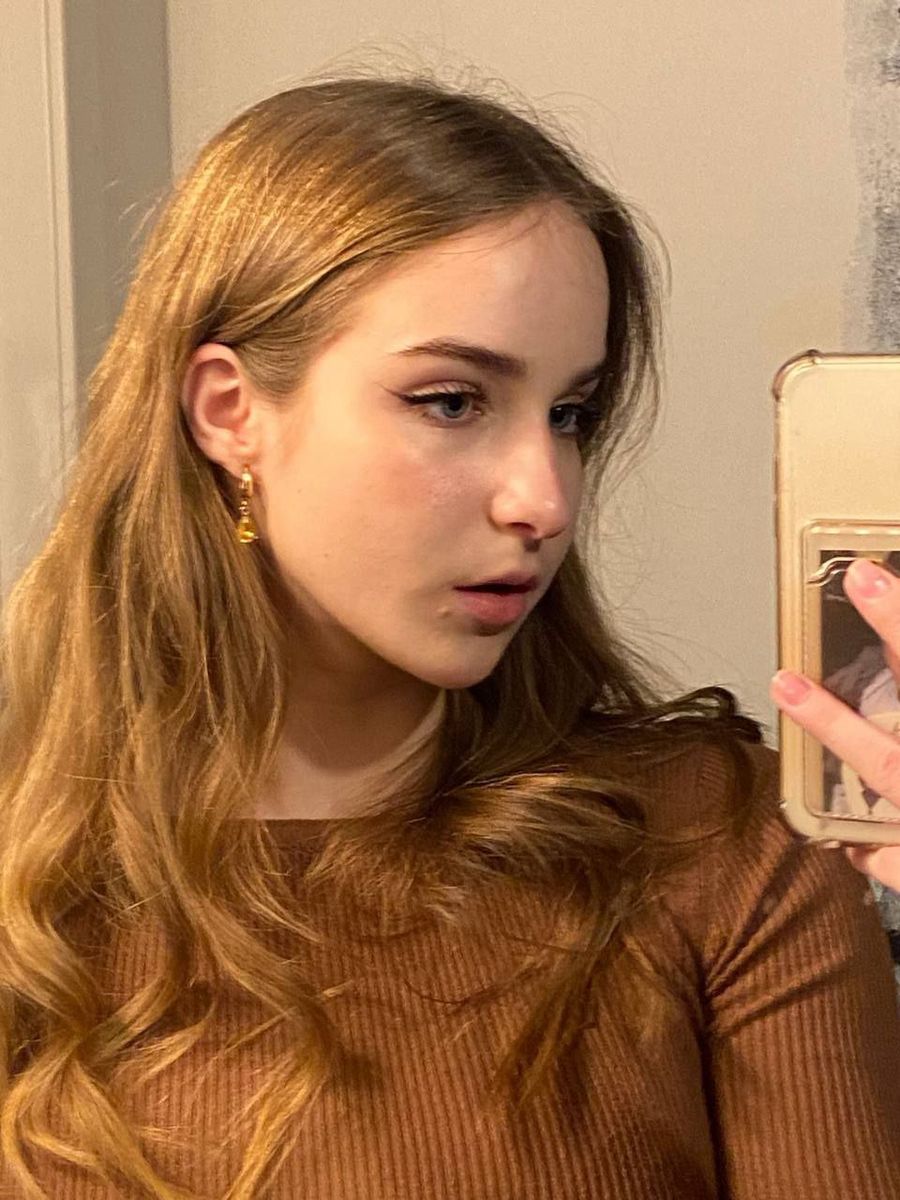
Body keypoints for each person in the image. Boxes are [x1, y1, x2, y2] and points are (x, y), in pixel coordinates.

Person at [1, 71, 898, 1200]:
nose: (545, 499)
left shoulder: (720, 849)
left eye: (570, 414)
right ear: (231, 411)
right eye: (452, 402)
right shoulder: (36, 894)